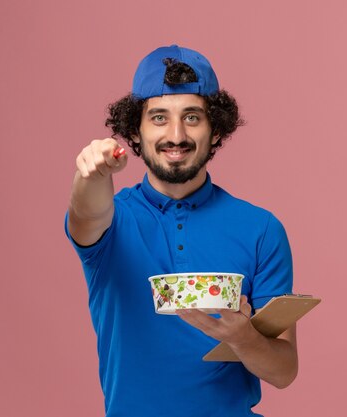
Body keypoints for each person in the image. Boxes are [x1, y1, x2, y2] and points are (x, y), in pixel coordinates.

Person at [65, 45, 297, 417]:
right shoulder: (113, 220)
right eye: (158, 117)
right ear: (134, 132)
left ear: (216, 130)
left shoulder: (261, 229)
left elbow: (284, 371)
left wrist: (243, 338)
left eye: (192, 117)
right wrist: (90, 173)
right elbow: (85, 213)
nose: (176, 135)